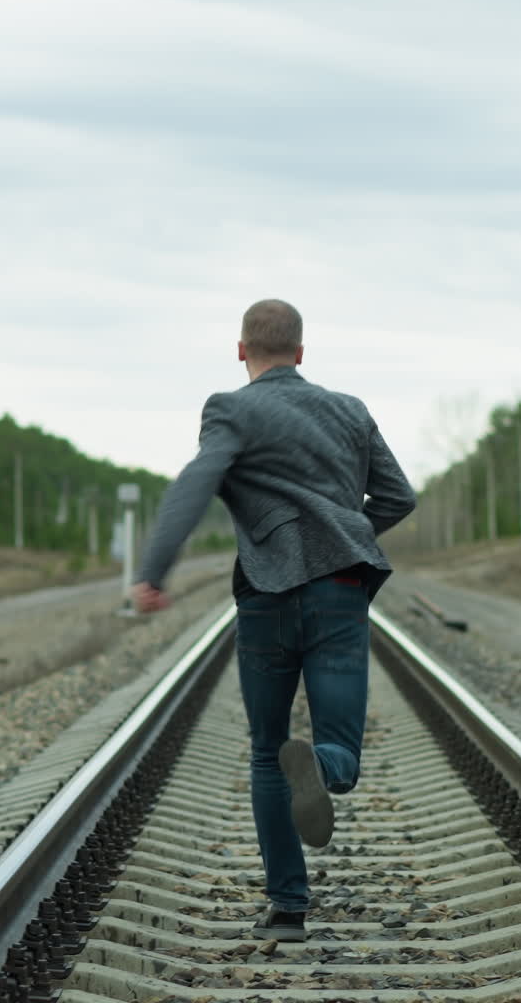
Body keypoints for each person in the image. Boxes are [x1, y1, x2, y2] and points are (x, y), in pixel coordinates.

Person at [134, 299, 416, 941]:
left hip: (265, 599)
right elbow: (399, 496)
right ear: (301, 351)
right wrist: (345, 536)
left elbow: (193, 485)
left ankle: (289, 908)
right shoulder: (350, 410)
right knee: (338, 745)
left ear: (241, 352)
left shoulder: (230, 408)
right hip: (340, 593)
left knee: (267, 752)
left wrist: (153, 571)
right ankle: (320, 764)